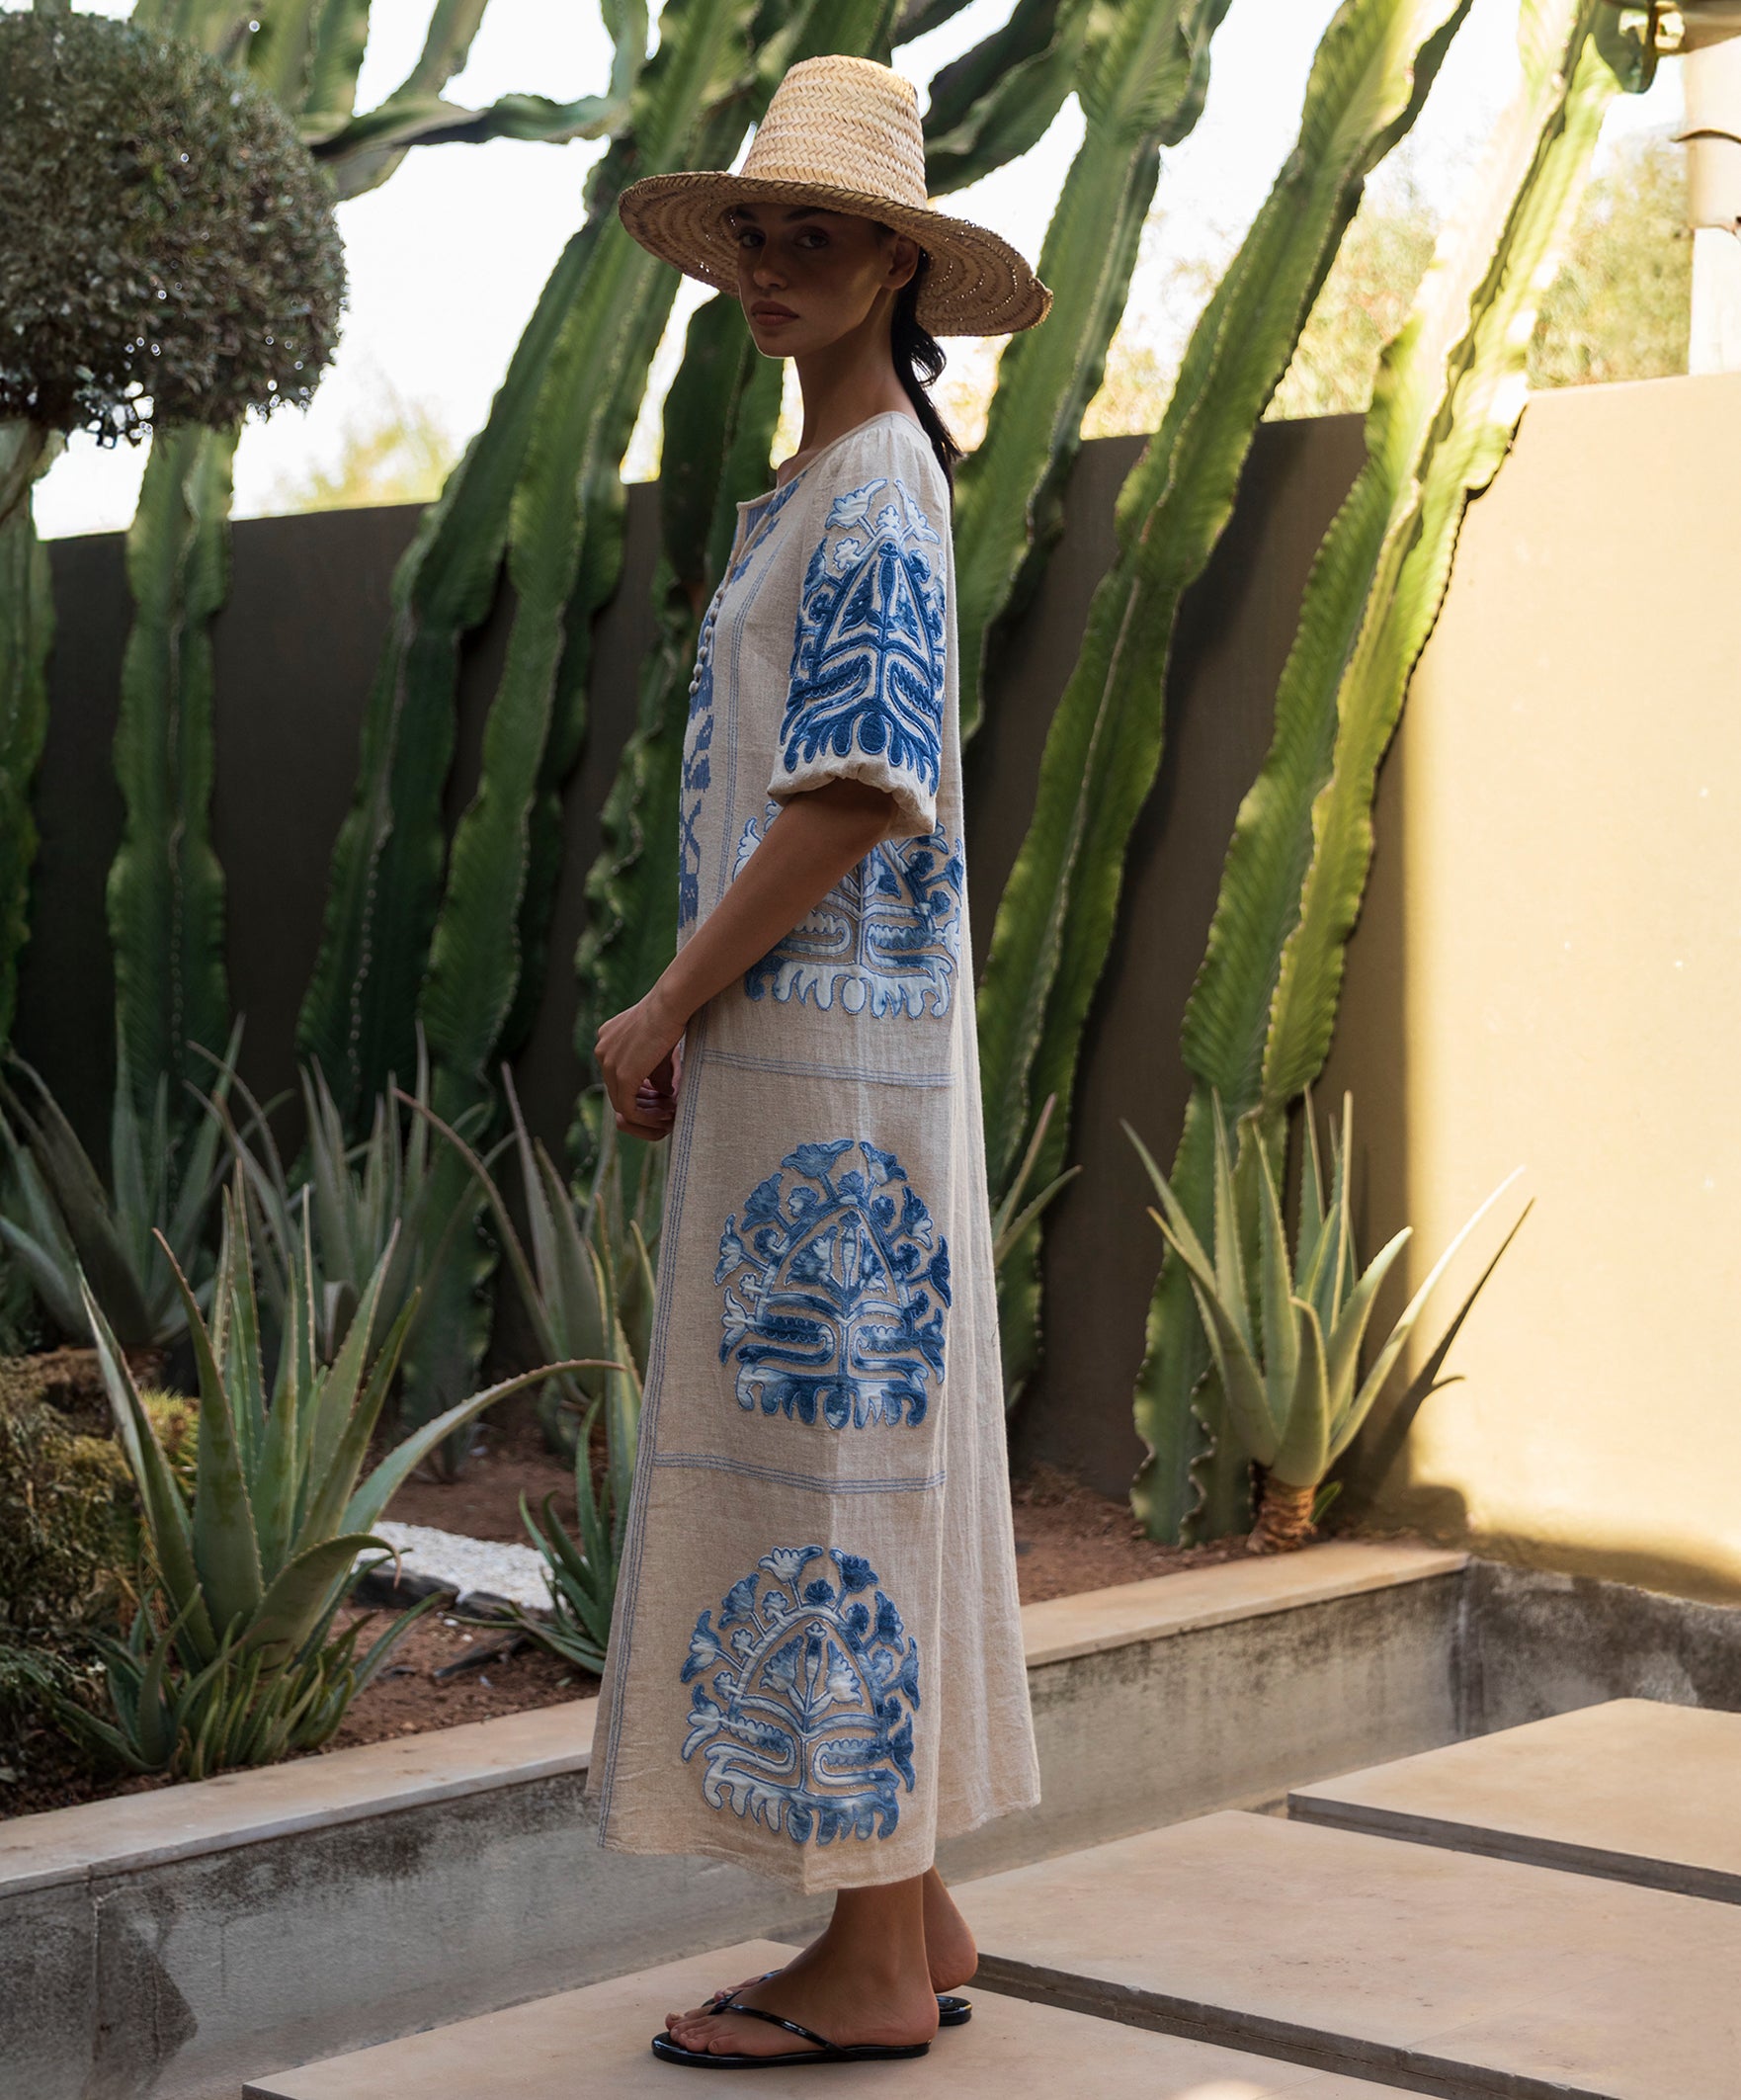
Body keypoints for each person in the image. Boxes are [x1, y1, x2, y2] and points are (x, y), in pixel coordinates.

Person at [591, 51, 1052, 2070]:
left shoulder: (869, 481)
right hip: (839, 1055)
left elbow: (857, 785)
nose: (772, 263)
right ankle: (915, 1905)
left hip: (823, 1068)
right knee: (848, 1461)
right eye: (755, 231)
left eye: (816, 234)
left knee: (830, 1472)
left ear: (894, 267)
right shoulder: (838, 474)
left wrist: (666, 997)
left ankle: (862, 1968)